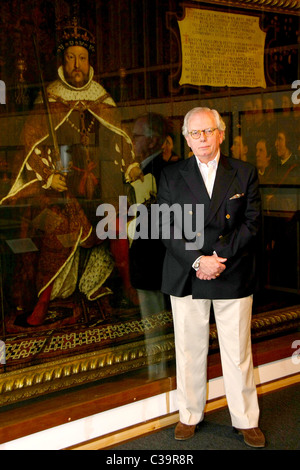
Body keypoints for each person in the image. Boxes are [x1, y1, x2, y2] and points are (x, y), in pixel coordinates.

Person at [1, 19, 137, 326]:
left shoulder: (101, 97)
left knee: (117, 222)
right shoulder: (50, 98)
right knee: (55, 230)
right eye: (71, 57)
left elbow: (119, 137)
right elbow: (31, 143)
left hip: (99, 189)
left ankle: (126, 284)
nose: (77, 64)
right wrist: (48, 175)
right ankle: (44, 299)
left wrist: (130, 163)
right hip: (62, 189)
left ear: (90, 63)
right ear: (63, 61)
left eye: (82, 58)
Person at [157, 107, 265, 447]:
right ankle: (189, 415)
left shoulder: (244, 172)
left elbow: (252, 222)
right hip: (187, 273)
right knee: (189, 350)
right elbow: (165, 225)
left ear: (220, 133)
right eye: (194, 133)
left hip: (230, 269)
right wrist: (197, 261)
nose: (202, 139)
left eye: (208, 131)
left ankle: (246, 420)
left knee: (237, 351)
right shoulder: (171, 176)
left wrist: (218, 257)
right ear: (186, 139)